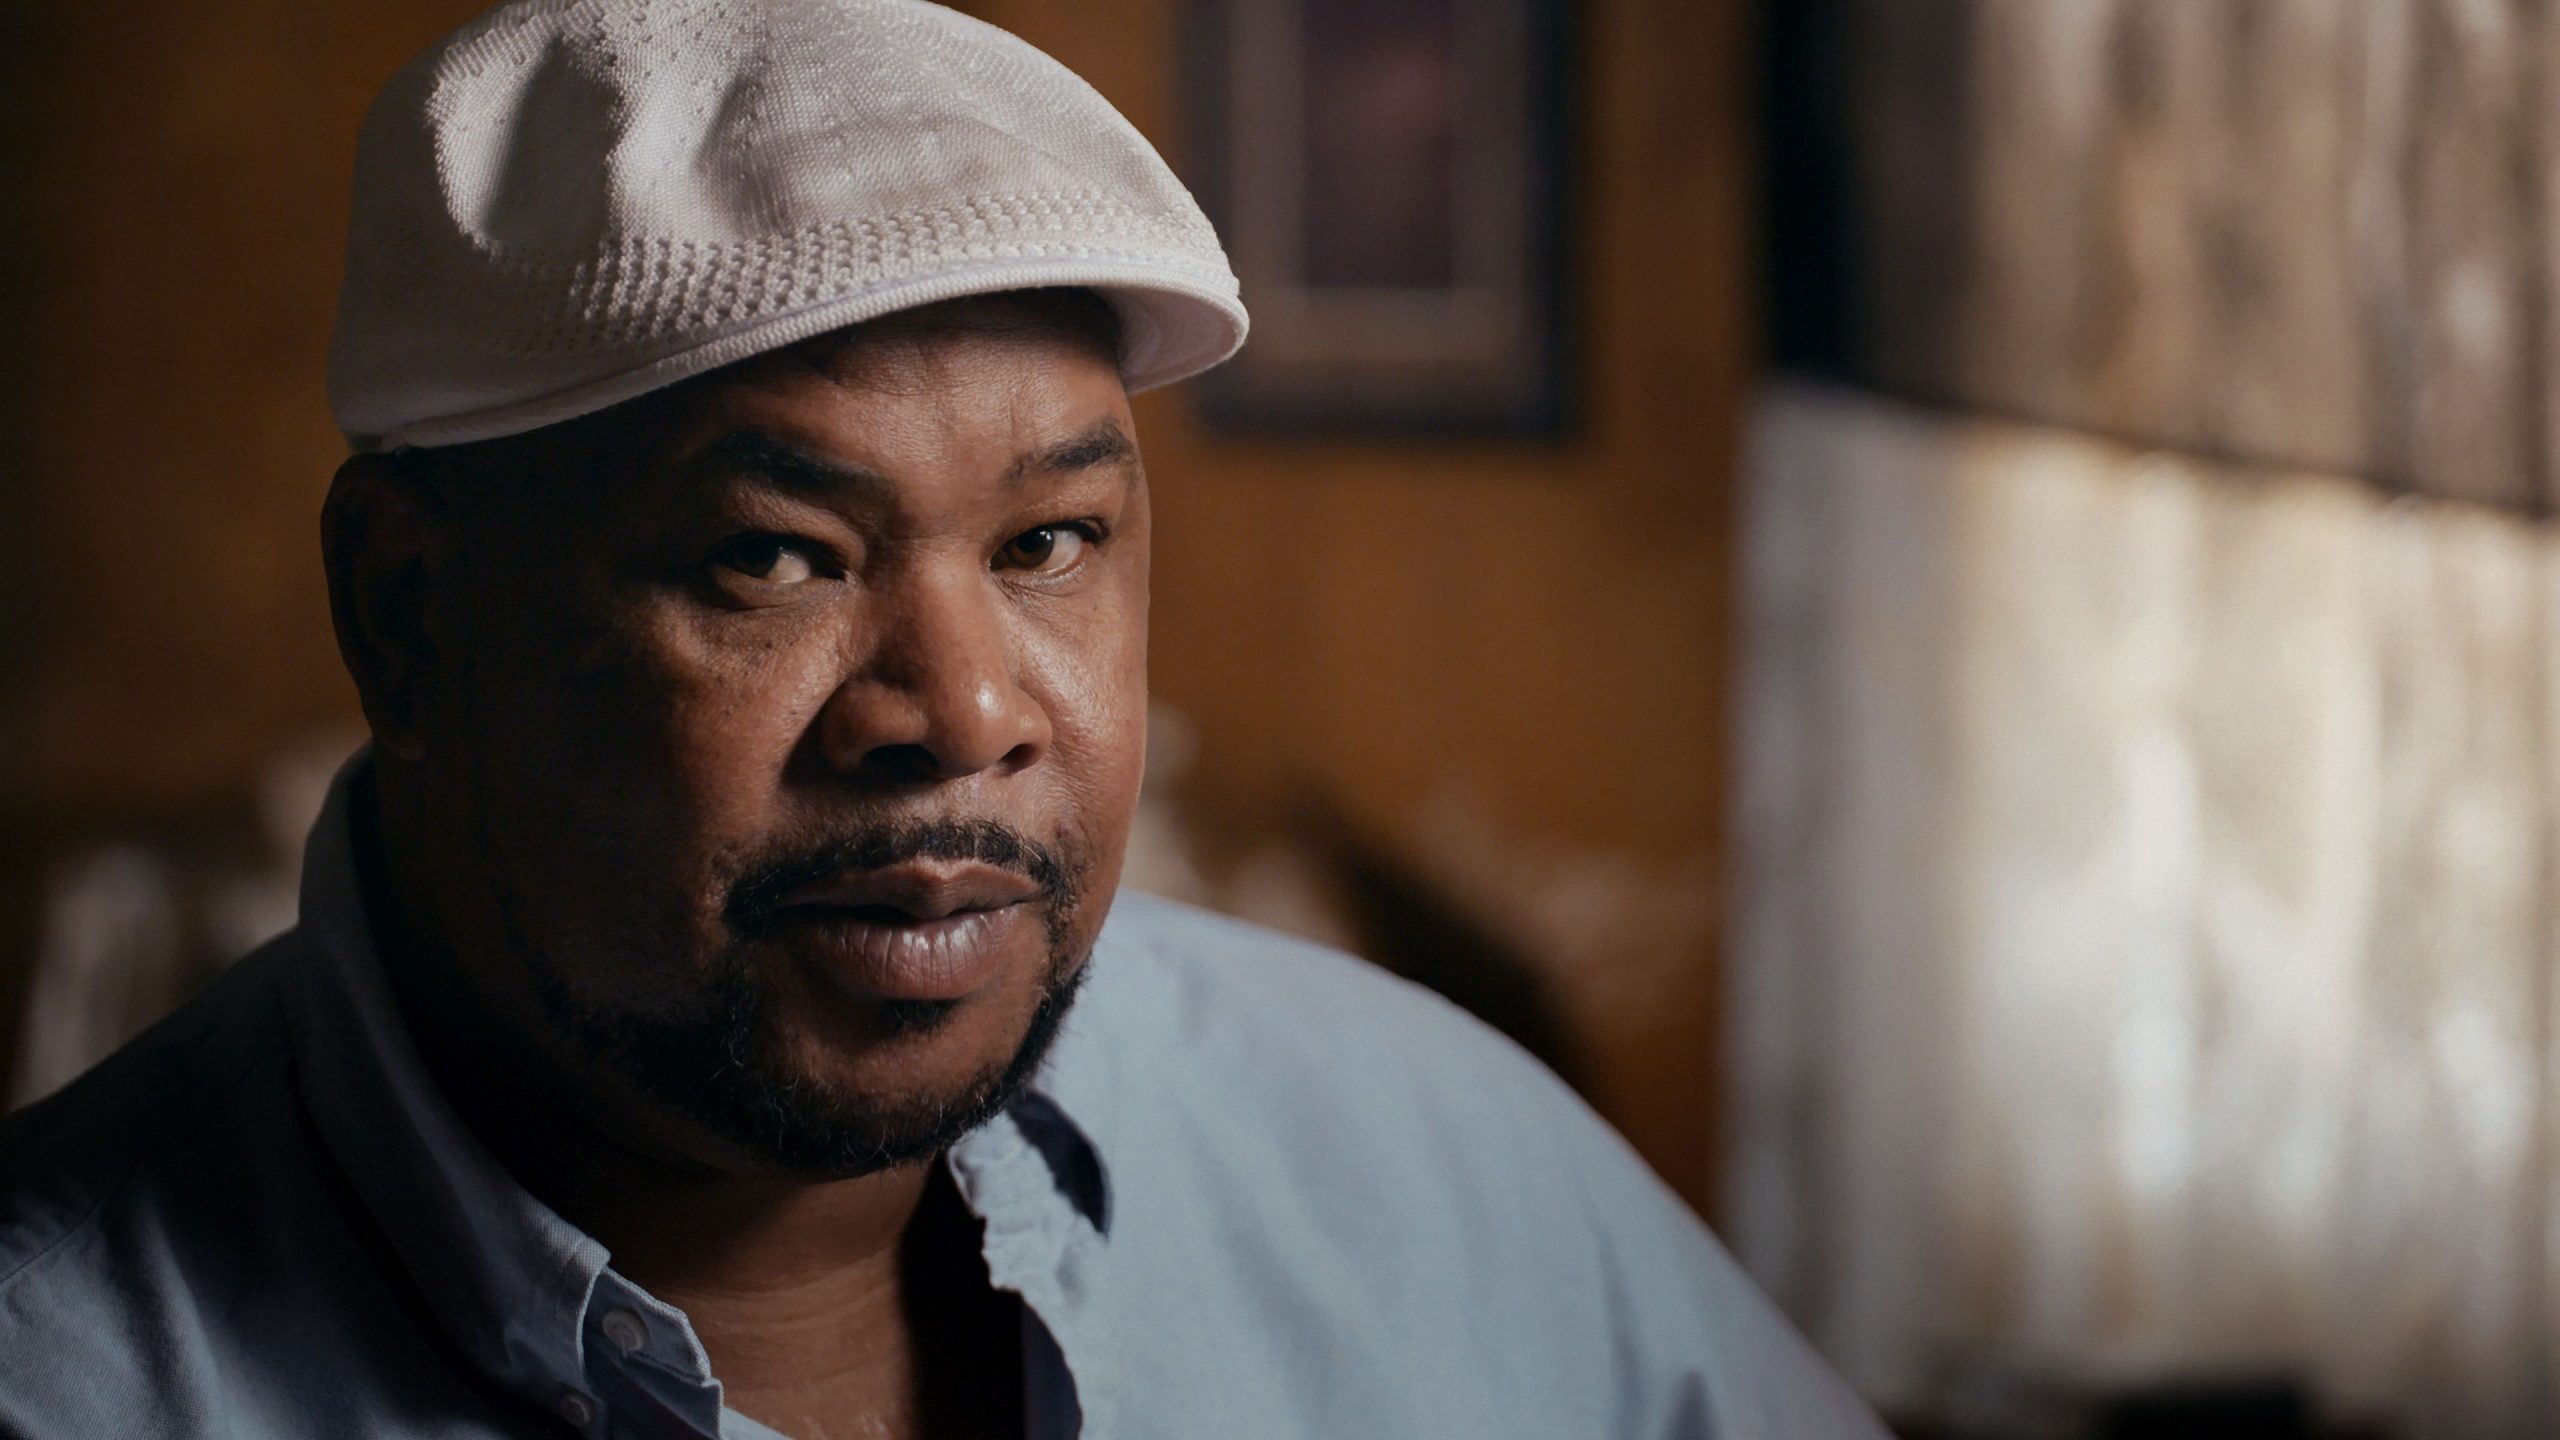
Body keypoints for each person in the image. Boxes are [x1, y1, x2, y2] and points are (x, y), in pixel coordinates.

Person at [0, 1, 1887, 1436]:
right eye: (775, 557)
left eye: (1048, 543)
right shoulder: (68, 1368)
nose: (966, 711)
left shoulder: (1423, 1161)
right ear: (409, 615)